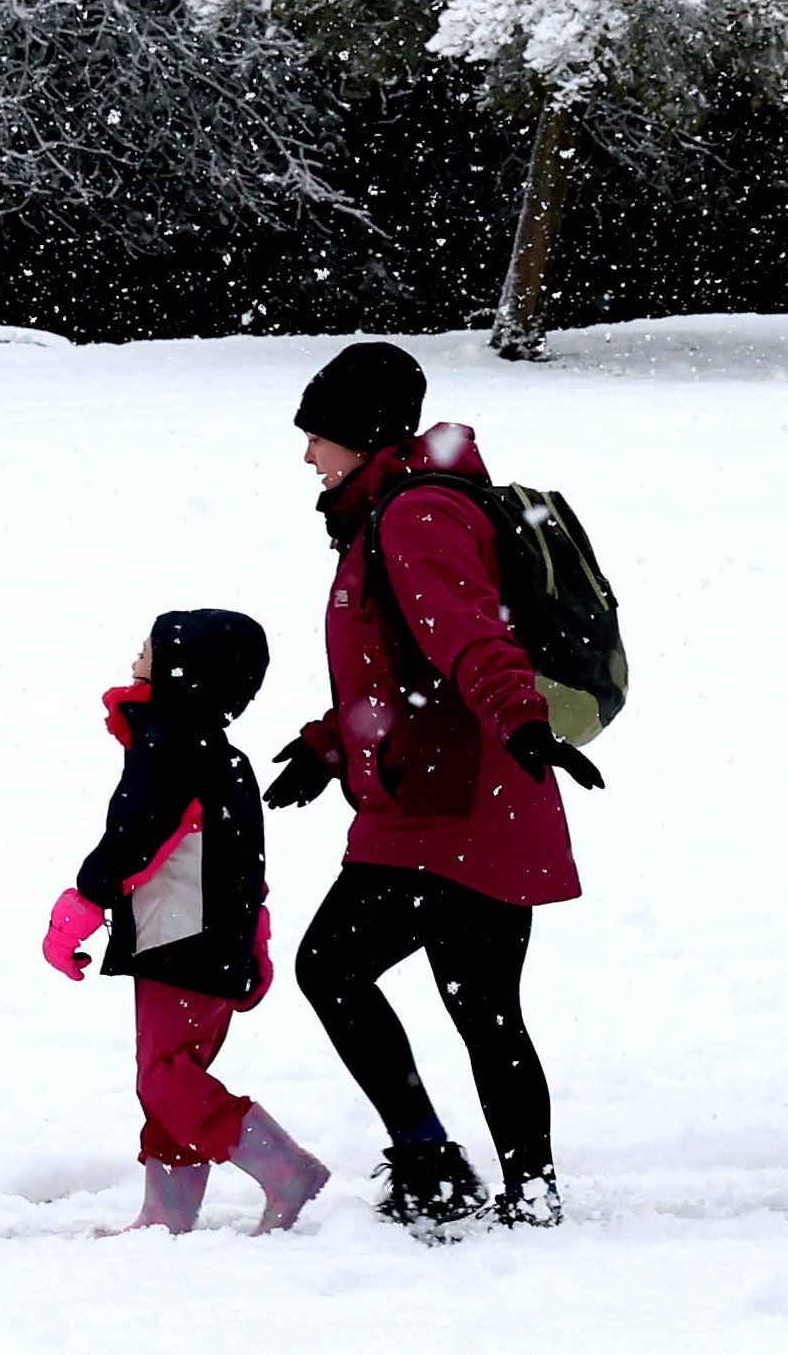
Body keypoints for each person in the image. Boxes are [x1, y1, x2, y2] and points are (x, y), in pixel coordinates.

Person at [269, 339, 598, 1233]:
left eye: (316, 436)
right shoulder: (393, 508)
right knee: (484, 1008)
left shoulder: (414, 517)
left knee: (332, 968)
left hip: (455, 801)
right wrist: (331, 742)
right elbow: (395, 666)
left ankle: (431, 1163)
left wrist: (524, 719)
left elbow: (467, 638)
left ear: (361, 435)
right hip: (468, 790)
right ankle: (525, 1192)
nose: (305, 454)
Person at [42, 607, 332, 1234]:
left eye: (145, 651)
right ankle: (167, 1214)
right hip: (210, 937)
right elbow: (246, 861)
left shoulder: (171, 748)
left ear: (181, 671)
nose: (134, 662)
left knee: (166, 1077)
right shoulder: (222, 756)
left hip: (181, 937)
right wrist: (253, 938)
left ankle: (285, 1169)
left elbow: (134, 838)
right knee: (173, 1075)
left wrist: (83, 905)